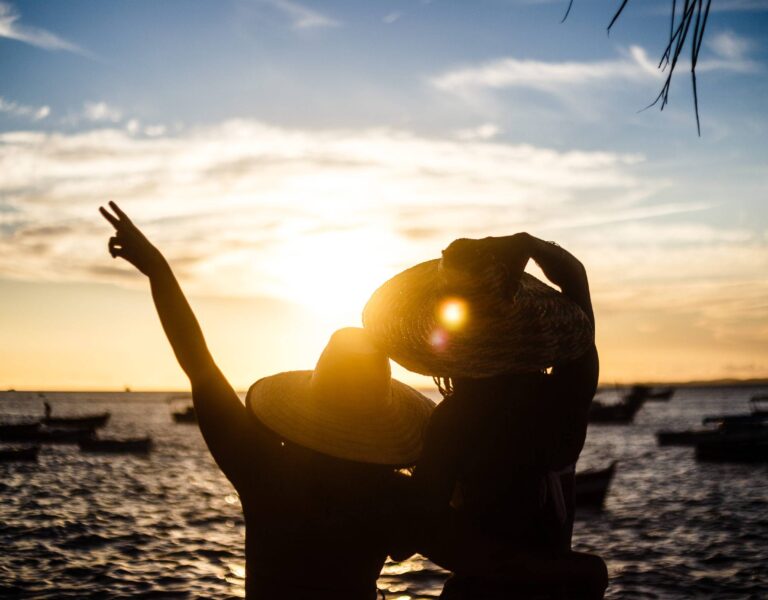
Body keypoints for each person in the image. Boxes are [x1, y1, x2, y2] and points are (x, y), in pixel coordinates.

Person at [99, 201, 435, 600]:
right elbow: (436, 539)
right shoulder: (391, 497)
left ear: (313, 398)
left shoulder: (268, 474)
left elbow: (199, 365)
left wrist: (158, 269)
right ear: (381, 412)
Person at [363, 233, 607, 599]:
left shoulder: (457, 420)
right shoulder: (561, 399)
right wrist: (528, 245)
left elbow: (413, 533)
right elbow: (576, 282)